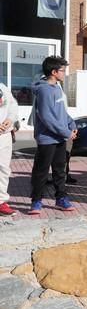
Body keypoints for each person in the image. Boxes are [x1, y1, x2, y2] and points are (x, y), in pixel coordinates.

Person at [28, 57, 77, 214]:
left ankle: (61, 198)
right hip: (47, 139)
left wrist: (71, 124)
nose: (64, 73)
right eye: (62, 70)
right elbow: (46, 117)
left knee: (60, 171)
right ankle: (36, 201)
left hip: (60, 138)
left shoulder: (57, 88)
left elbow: (62, 112)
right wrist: (66, 132)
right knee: (41, 171)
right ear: (54, 72)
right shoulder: (44, 90)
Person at [0, 82, 18, 216]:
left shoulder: (2, 87)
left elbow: (12, 105)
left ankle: (1, 201)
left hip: (5, 135)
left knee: (3, 169)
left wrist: (10, 119)